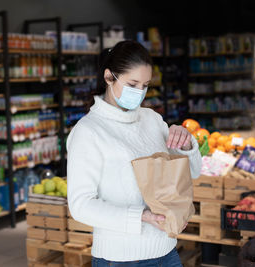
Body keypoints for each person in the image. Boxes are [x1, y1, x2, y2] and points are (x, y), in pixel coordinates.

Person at [67, 40, 202, 267]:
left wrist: (186, 145)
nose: (139, 93)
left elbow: (193, 172)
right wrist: (143, 217)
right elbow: (80, 205)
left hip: (167, 252)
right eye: (133, 84)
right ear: (109, 77)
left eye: (145, 85)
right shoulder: (88, 131)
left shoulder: (152, 120)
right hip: (121, 259)